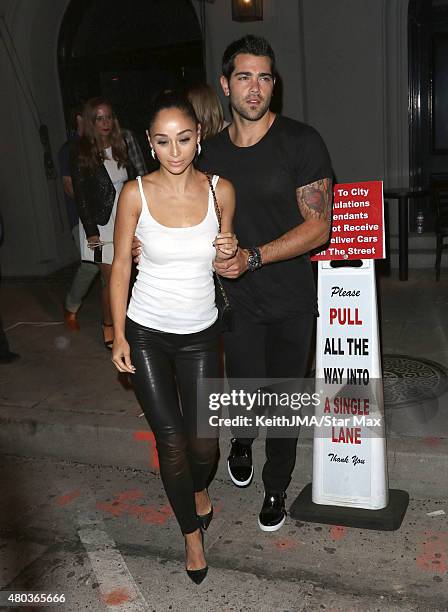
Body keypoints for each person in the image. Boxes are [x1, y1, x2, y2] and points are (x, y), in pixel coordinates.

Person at [199, 35, 333, 532]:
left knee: (283, 398)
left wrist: (254, 257)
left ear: (274, 85)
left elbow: (318, 226)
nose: (255, 88)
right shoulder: (208, 154)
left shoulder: (301, 141)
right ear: (224, 85)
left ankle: (276, 486)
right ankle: (240, 437)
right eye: (244, 77)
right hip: (234, 302)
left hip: (292, 297)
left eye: (264, 77)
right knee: (246, 385)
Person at [110, 91, 237, 583]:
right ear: (150, 142)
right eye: (163, 142)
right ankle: (191, 536)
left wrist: (231, 248)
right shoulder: (134, 194)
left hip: (202, 334)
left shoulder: (221, 192)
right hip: (146, 333)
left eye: (184, 139)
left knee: (205, 445)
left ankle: (199, 489)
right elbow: (121, 263)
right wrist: (118, 333)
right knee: (172, 442)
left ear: (198, 136)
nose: (175, 150)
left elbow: (229, 265)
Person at [70, 97, 147, 348]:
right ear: (91, 122)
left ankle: (125, 325)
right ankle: (109, 326)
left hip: (123, 218)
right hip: (99, 224)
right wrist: (91, 232)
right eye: (99, 118)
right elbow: (81, 195)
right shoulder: (82, 151)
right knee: (111, 278)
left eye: (109, 117)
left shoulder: (120, 144)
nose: (105, 122)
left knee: (128, 276)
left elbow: (133, 181)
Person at [59, 108, 99, 331]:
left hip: (102, 219)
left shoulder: (96, 146)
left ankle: (112, 319)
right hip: (81, 219)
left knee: (108, 266)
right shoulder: (70, 149)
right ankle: (71, 306)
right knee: (91, 265)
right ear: (79, 119)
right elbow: (69, 187)